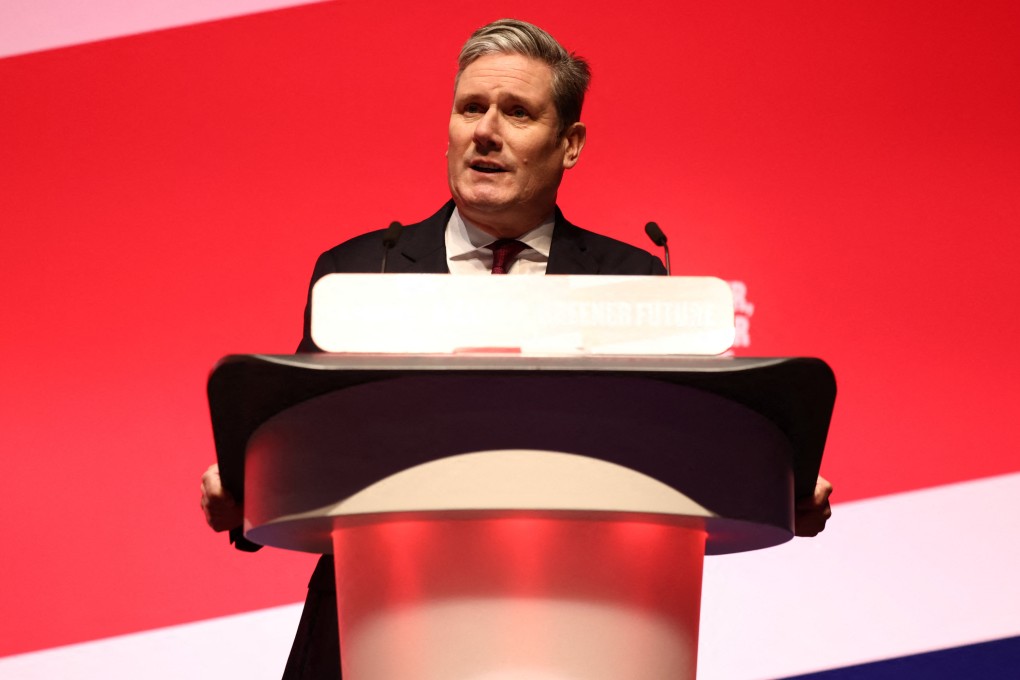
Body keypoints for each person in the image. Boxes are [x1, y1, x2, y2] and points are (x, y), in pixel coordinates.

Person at [200, 18, 833, 679]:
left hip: (578, 623)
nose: (485, 131)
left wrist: (774, 482)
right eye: (471, 107)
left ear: (570, 144)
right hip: (377, 626)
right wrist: (247, 490)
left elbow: (679, 448)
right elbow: (303, 446)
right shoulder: (362, 271)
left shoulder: (633, 281)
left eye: (517, 112)